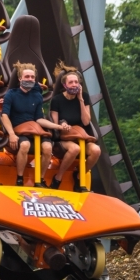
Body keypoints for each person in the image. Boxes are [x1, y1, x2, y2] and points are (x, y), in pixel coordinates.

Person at [1, 62, 64, 186]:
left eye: (32, 77)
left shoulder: (37, 96)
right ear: (20, 79)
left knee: (48, 147)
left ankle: (40, 179)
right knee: (25, 145)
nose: (30, 79)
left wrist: (58, 126)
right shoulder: (11, 94)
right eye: (27, 77)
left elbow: (39, 119)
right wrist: (11, 134)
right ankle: (20, 179)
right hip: (19, 130)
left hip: (34, 129)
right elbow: (4, 116)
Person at [49, 63, 101, 191]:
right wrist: (62, 125)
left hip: (81, 135)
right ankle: (58, 178)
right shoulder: (57, 100)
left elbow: (86, 121)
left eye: (76, 82)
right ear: (65, 85)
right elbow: (54, 123)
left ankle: (78, 176)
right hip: (64, 137)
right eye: (71, 82)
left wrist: (81, 99)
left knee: (96, 150)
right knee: (75, 149)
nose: (74, 85)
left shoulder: (84, 97)